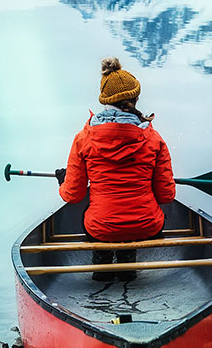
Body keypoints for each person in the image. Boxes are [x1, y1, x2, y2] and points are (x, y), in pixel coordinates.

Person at [56, 57, 176, 282]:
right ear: (136, 98)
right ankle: (127, 270)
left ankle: (102, 272)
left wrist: (63, 182)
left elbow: (73, 195)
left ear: (104, 100)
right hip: (146, 225)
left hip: (101, 227)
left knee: (96, 218)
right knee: (131, 223)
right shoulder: (154, 139)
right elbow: (167, 195)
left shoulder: (83, 139)